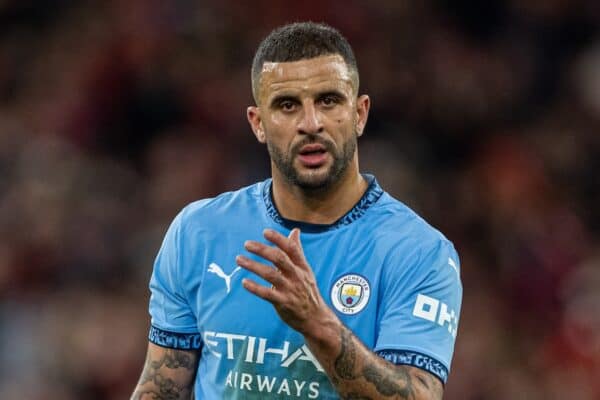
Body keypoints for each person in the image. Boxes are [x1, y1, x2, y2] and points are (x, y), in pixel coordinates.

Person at [131, 22, 462, 400]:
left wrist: (318, 325)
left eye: (329, 101)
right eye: (288, 105)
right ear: (258, 124)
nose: (311, 124)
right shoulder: (199, 232)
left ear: (360, 113)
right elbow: (161, 390)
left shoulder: (419, 252)